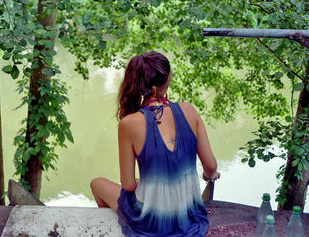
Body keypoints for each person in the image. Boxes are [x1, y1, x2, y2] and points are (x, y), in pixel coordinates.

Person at [90, 51, 220, 236]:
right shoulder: (189, 110)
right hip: (189, 217)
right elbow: (211, 166)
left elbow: (127, 185)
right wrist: (210, 175)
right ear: (167, 80)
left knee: (97, 183)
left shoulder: (129, 124)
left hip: (152, 223)